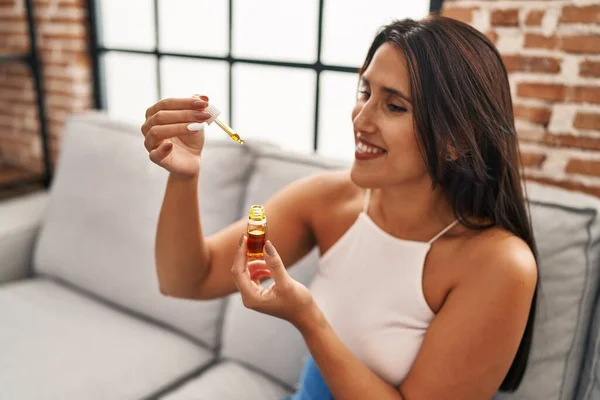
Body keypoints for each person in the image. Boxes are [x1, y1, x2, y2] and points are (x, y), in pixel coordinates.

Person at [141, 15, 538, 400]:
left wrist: (308, 319)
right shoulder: (329, 200)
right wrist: (184, 176)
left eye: (395, 106)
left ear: (456, 140)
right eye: (365, 93)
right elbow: (187, 279)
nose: (360, 120)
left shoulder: (500, 265)